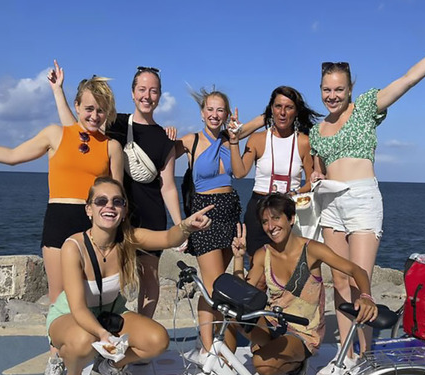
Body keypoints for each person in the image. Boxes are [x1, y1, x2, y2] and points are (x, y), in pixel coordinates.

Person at [308, 6, 425, 374]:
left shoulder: (366, 108)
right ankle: (349, 355)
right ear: (320, 90)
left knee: (359, 281)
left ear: (350, 88)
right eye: (326, 89)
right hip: (329, 204)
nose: (332, 96)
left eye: (338, 89)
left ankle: (364, 359)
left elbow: (408, 78)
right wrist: (315, 180)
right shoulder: (316, 130)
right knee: (339, 281)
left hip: (362, 199)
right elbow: (317, 170)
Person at [0, 74, 123, 375]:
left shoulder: (112, 146)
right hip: (60, 221)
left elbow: (117, 193)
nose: (94, 115)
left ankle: (101, 360)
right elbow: (11, 157)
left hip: (95, 226)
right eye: (89, 108)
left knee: (97, 298)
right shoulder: (55, 134)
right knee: (58, 298)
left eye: (101, 110)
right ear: (77, 106)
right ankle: (56, 359)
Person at [47, 177, 213, 375]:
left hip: (110, 313)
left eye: (117, 201)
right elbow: (79, 309)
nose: (109, 206)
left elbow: (167, 238)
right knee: (83, 340)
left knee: (157, 339)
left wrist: (186, 226)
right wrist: (105, 336)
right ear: (89, 209)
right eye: (101, 201)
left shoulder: (127, 239)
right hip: (70, 316)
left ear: (124, 210)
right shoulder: (73, 247)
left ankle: (109, 365)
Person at [50, 62, 181, 320]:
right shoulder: (115, 124)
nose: (147, 96)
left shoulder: (165, 139)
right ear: (132, 93)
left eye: (153, 91)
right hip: (112, 214)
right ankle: (98, 327)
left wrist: (180, 226)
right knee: (103, 273)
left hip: (150, 216)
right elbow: (75, 132)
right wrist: (58, 92)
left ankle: (142, 329)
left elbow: (168, 187)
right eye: (142, 89)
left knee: (149, 278)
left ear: (160, 95)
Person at [230, 193, 376, 375]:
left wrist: (366, 297)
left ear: (291, 219)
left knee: (263, 365)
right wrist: (238, 258)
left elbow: (356, 270)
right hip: (274, 323)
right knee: (230, 317)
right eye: (265, 221)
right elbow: (242, 294)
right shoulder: (263, 253)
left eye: (276, 218)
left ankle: (298, 366)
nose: (270, 226)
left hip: (304, 332)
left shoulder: (312, 249)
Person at [175, 88, 241, 358]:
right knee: (214, 287)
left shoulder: (231, 139)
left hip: (231, 211)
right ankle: (207, 348)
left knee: (222, 284)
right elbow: (157, 154)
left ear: (227, 115)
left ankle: (215, 339)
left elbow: (265, 119)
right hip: (204, 212)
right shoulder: (190, 140)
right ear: (202, 114)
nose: (215, 115)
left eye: (220, 110)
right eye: (210, 109)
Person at [227, 86, 322, 263]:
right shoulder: (257, 139)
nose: (283, 113)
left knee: (287, 268)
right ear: (271, 109)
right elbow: (239, 173)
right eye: (278, 106)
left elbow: (312, 181)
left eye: (289, 107)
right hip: (259, 208)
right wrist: (234, 141)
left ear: (296, 111)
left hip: (288, 209)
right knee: (258, 270)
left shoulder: (303, 142)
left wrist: (295, 193)